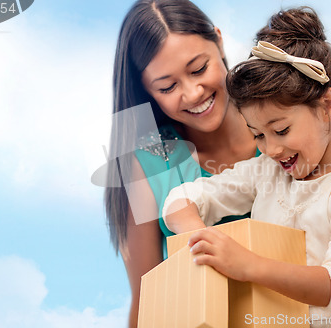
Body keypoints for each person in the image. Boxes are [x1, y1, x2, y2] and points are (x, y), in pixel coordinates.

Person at [162, 7, 331, 328]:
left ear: (327, 105)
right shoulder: (266, 172)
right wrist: (202, 239)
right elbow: (182, 200)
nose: (271, 149)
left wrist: (248, 265)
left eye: (282, 130)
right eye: (257, 134)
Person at [105, 1, 258, 326]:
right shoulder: (148, 163)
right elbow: (147, 298)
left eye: (199, 69)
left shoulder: (280, 124)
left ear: (218, 41)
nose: (192, 93)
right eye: (168, 86)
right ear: (147, 90)